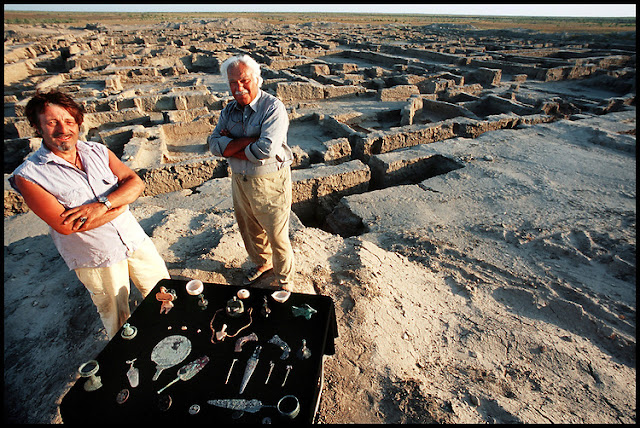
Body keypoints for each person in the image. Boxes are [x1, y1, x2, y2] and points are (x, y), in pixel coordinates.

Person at [9, 89, 170, 339]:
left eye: (69, 121)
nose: (63, 129)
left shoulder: (97, 151)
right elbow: (66, 226)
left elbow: (135, 182)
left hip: (133, 240)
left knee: (165, 291)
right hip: (97, 258)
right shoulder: (28, 176)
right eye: (52, 122)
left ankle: (170, 332)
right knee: (117, 318)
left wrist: (103, 205)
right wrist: (121, 204)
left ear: (78, 123)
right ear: (37, 127)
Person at [208, 54, 295, 291]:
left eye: (244, 80)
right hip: (240, 179)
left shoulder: (273, 108)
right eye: (233, 83)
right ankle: (262, 263)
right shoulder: (229, 110)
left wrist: (231, 145)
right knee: (249, 229)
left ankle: (285, 283)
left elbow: (266, 149)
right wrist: (249, 143)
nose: (239, 87)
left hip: (270, 181)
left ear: (257, 79)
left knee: (276, 235)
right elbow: (214, 145)